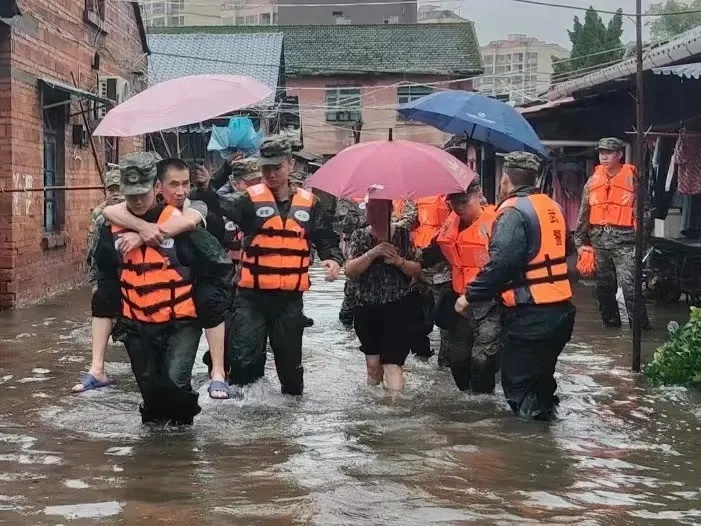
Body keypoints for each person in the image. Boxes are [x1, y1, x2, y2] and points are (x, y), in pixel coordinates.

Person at [92, 153, 233, 423]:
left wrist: (210, 305)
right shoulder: (110, 224)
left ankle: (181, 441)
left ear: (155, 188)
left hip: (181, 320)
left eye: (142, 194)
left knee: (175, 380)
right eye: (130, 195)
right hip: (137, 322)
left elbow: (218, 267)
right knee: (150, 389)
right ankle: (153, 448)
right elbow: (106, 276)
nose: (137, 201)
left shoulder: (186, 219)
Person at [218, 136, 343, 396]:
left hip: (289, 300)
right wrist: (217, 176)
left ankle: (288, 422)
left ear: (290, 164)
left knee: (290, 369)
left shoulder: (310, 204)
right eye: (266, 168)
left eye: (277, 167)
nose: (271, 174)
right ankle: (245, 418)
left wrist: (332, 258)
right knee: (244, 361)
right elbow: (213, 206)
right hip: (251, 298)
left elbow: (325, 238)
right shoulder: (248, 201)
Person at [455, 152, 575, 420]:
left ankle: (531, 453)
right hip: (560, 312)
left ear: (505, 179)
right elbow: (566, 249)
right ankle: (547, 440)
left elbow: (501, 265)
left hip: (531, 316)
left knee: (520, 389)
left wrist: (469, 296)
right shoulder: (551, 207)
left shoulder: (512, 212)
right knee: (542, 384)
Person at [421, 181, 501, 392]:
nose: (459, 208)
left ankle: (486, 405)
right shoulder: (451, 223)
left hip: (491, 302)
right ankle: (467, 407)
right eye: (454, 203)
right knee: (457, 361)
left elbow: (507, 263)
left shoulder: (497, 223)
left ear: (479, 196)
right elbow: (431, 253)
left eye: (464, 202)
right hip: (460, 302)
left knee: (483, 359)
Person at [345, 199, 422, 391]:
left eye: (376, 208)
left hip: (397, 306)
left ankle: (396, 410)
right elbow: (350, 270)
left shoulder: (403, 235)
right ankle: (374, 410)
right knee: (373, 367)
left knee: (392, 364)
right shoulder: (360, 236)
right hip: (366, 306)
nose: (370, 213)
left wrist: (398, 262)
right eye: (369, 208)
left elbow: (417, 269)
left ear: (389, 210)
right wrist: (372, 254)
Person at [574, 137, 651, 329]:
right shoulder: (593, 181)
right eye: (601, 153)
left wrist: (641, 241)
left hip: (626, 242)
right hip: (599, 241)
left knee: (630, 288)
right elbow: (584, 211)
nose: (604, 156)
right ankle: (610, 326)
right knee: (603, 288)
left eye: (608, 153)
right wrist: (580, 242)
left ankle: (640, 330)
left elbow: (644, 213)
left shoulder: (633, 180)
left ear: (619, 155)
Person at [72, 169, 124, 393]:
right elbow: (93, 251)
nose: (116, 194)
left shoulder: (141, 211)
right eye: (111, 189)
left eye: (120, 189)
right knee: (104, 309)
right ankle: (97, 369)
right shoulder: (100, 215)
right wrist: (94, 280)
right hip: (109, 277)